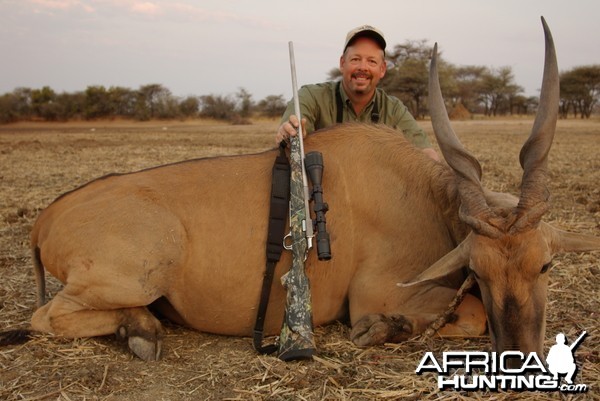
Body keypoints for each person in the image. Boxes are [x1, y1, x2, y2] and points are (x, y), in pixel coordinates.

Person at [276, 25, 439, 161]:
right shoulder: (311, 96)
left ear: (382, 69)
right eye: (355, 59)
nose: (363, 67)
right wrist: (289, 134)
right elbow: (289, 135)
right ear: (342, 63)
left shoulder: (393, 109)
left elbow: (426, 153)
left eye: (372, 61)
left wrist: (431, 165)